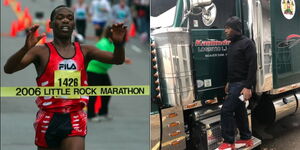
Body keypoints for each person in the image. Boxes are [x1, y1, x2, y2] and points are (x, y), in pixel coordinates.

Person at [4, 5, 126, 150]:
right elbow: (9, 69)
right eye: (60, 18)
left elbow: (117, 59)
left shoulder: (85, 50)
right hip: (48, 119)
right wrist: (25, 48)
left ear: (74, 24)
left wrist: (118, 44)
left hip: (74, 117)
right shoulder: (40, 52)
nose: (65, 21)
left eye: (69, 18)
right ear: (51, 24)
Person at [217, 16, 257, 150]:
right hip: (234, 85)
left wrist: (248, 87)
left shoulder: (247, 43)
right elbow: (233, 66)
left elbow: (253, 66)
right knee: (240, 110)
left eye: (228, 28)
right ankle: (246, 138)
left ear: (236, 29)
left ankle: (228, 142)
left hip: (241, 86)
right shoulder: (232, 44)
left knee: (226, 110)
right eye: (225, 28)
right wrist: (229, 82)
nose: (226, 31)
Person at [86, 26, 132, 121]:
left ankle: (103, 112)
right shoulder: (103, 43)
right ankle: (90, 115)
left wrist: (123, 59)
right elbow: (106, 58)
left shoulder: (112, 43)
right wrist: (119, 60)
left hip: (102, 71)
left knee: (107, 92)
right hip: (93, 70)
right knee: (93, 94)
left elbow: (115, 54)